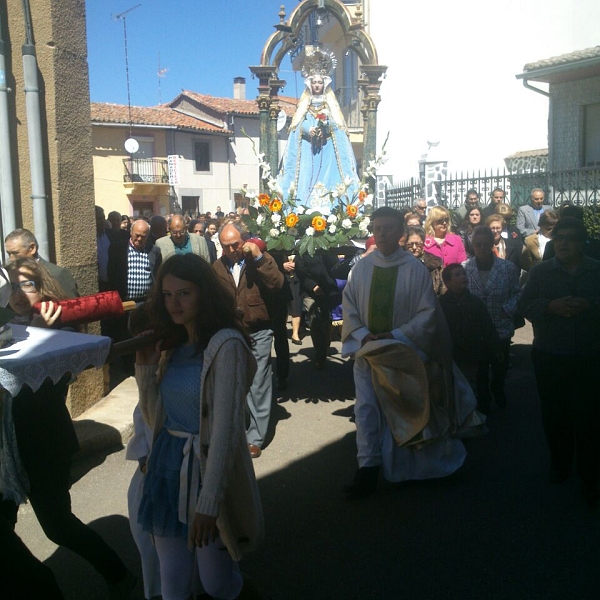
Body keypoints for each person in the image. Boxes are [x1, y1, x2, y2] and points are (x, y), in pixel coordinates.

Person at [0, 258, 135, 599]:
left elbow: (50, 387)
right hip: (6, 453)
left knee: (58, 527)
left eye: (27, 285)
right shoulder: (7, 326)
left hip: (43, 447)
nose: (18, 293)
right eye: (12, 285)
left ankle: (118, 574)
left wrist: (40, 334)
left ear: (43, 289)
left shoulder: (61, 336)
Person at [135, 253, 264, 600]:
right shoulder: (172, 346)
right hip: (168, 467)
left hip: (207, 471)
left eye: (184, 294)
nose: (173, 304)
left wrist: (209, 503)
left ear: (204, 293)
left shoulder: (226, 346)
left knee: (216, 582)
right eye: (166, 295)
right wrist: (145, 371)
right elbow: (155, 419)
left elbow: (224, 430)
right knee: (173, 582)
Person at [341, 207, 467, 496]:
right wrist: (362, 335)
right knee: (366, 409)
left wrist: (396, 335)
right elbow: (349, 307)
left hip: (404, 353)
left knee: (407, 411)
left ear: (400, 233)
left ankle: (417, 468)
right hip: (370, 353)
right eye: (377, 228)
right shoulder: (361, 267)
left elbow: (427, 313)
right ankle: (367, 469)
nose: (382, 234)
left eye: (388, 228)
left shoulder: (414, 269)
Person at [518, 218, 600, 508]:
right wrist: (549, 306)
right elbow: (523, 304)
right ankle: (560, 465)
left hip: (589, 356)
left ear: (582, 243)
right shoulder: (541, 273)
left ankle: (590, 475)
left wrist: (590, 306)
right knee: (555, 413)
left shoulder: (595, 270)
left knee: (589, 417)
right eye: (559, 238)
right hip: (551, 355)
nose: (564, 243)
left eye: (571, 238)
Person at [213, 222, 284, 458]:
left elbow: (277, 283)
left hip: (259, 330)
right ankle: (239, 428)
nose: (232, 249)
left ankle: (256, 437)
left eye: (236, 244)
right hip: (232, 332)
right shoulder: (217, 267)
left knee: (258, 381)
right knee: (236, 382)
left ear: (243, 241)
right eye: (227, 246)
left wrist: (260, 258)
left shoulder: (259, 260)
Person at [276, 49, 359, 207]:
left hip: (327, 151)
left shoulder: (330, 105)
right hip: (308, 151)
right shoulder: (304, 105)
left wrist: (326, 127)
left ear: (324, 84)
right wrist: (308, 130)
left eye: (320, 82)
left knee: (328, 179)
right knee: (306, 179)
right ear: (310, 84)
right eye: (314, 82)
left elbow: (338, 125)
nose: (317, 85)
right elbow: (298, 124)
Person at [463, 226, 521, 411]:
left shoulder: (507, 267)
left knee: (500, 365)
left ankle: (497, 388)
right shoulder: (465, 268)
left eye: (485, 244)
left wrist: (508, 309)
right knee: (480, 368)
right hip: (476, 328)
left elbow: (517, 294)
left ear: (491, 244)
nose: (481, 247)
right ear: (473, 245)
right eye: (477, 244)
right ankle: (483, 398)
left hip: (500, 324)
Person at [439, 263, 501, 413]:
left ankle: (481, 413)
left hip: (475, 353)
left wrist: (496, 348)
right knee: (457, 388)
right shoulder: (440, 304)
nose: (463, 277)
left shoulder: (475, 302)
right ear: (447, 282)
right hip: (452, 355)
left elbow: (488, 327)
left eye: (463, 274)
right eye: (457, 275)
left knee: (479, 386)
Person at [4, 228, 79, 298]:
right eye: (9, 253)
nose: (11, 258)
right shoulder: (9, 274)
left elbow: (72, 306)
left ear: (32, 248)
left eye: (15, 253)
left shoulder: (57, 274)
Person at [405, 226, 445, 295]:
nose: (414, 247)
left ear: (423, 243)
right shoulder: (399, 263)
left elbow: (442, 289)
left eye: (418, 244)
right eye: (410, 244)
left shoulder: (435, 263)